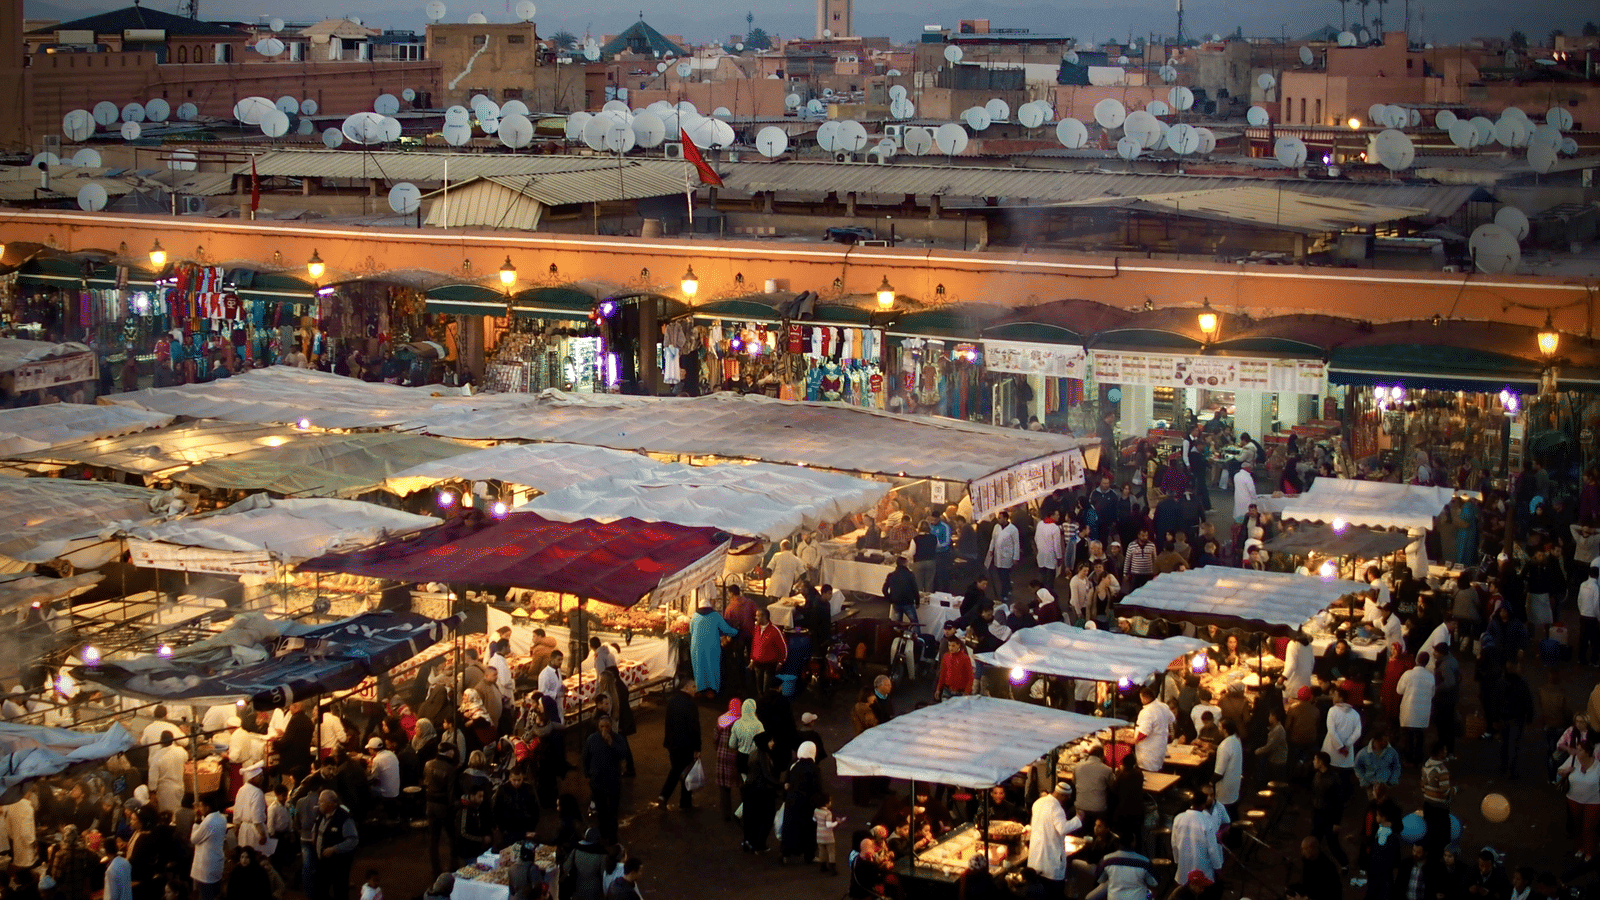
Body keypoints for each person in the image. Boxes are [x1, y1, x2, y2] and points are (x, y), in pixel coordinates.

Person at [582, 714, 632, 845]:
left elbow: (623, 754)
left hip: (613, 781)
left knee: (613, 811)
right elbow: (586, 758)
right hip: (597, 782)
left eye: (607, 726)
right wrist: (588, 773)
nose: (604, 729)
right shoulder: (592, 739)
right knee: (601, 810)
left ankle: (612, 837)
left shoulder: (618, 739)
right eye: (601, 726)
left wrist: (611, 743)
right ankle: (603, 835)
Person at [1026, 781, 1081, 896]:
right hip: (1050, 861)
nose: (1065, 801)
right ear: (1062, 795)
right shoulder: (1056, 808)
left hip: (1035, 858)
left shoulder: (1038, 802)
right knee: (1053, 893)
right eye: (1066, 798)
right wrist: (1078, 819)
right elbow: (1062, 828)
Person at [657, 675, 702, 811]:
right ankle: (684, 802)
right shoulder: (690, 704)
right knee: (685, 772)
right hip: (686, 744)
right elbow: (694, 728)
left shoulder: (672, 701)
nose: (695, 689)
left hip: (672, 744)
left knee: (676, 770)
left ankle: (665, 797)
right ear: (686, 687)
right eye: (693, 686)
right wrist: (697, 747)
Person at [1172, 791, 1224, 893]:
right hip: (1203, 871)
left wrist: (1177, 860)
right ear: (1204, 804)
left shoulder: (1178, 818)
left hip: (1183, 869)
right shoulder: (1206, 822)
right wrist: (1218, 867)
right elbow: (1212, 849)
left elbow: (1174, 843)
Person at [1558, 738, 1600, 862]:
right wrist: (1565, 771)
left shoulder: (1598, 767)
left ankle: (1589, 851)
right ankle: (1580, 848)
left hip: (1593, 802)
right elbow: (1559, 771)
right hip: (1573, 799)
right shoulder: (1572, 760)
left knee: (1589, 827)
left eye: (1580, 750)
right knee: (1577, 826)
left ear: (1588, 752)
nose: (1577, 752)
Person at [780, 742, 822, 864]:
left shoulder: (793, 765)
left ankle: (785, 853)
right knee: (808, 831)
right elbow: (817, 788)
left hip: (792, 802)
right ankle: (809, 855)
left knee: (790, 829)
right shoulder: (814, 768)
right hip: (808, 805)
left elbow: (787, 782)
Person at [689, 599, 739, 698]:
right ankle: (712, 690)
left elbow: (691, 630)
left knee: (699, 667)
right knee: (712, 667)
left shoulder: (695, 616)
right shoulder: (715, 616)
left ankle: (700, 689)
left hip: (696, 647)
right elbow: (726, 629)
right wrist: (736, 631)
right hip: (711, 646)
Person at [741, 733, 782, 854]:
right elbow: (766, 775)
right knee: (766, 818)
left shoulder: (754, 753)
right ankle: (759, 844)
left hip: (751, 791)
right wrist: (781, 784)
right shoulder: (763, 756)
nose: (773, 743)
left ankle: (749, 842)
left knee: (752, 818)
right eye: (770, 740)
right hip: (762, 792)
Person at [314, 790, 358, 900]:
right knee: (321, 891)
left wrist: (335, 849)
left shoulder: (344, 818)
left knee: (340, 891)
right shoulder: (321, 815)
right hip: (323, 863)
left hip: (339, 865)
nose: (318, 804)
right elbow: (317, 828)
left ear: (331, 804)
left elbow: (353, 840)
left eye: (321, 802)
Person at [1310, 752, 1350, 874]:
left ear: (1321, 762)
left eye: (1315, 759)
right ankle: (1314, 866)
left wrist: (1336, 822)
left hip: (1329, 816)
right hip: (1318, 814)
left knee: (1332, 843)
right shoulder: (1317, 775)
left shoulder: (1334, 778)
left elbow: (1339, 802)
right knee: (1314, 841)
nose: (1313, 761)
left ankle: (1344, 864)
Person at [422, 742, 458, 875]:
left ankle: (435, 870)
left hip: (430, 805)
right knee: (452, 837)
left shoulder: (428, 764)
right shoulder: (450, 769)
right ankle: (453, 866)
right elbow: (451, 793)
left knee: (433, 840)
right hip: (444, 807)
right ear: (448, 752)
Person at [1397, 653, 1437, 765]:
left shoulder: (1408, 674)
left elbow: (1399, 690)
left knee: (1408, 737)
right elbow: (1432, 693)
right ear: (1427, 662)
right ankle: (1418, 760)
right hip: (1423, 712)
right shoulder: (1430, 676)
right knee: (1420, 737)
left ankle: (1408, 759)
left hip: (1409, 711)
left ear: (1416, 660)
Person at [1497, 662, 1535, 779]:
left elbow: (1495, 701)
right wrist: (1529, 717)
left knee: (1504, 743)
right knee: (1514, 745)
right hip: (1517, 718)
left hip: (1504, 717)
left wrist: (1494, 718)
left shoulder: (1501, 683)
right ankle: (1512, 771)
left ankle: (1503, 767)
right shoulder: (1521, 683)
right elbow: (1528, 701)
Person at [1323, 686, 1362, 784]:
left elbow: (1331, 731)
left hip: (1332, 750)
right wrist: (1346, 746)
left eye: (1335, 695)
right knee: (1344, 779)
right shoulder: (1355, 714)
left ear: (1341, 698)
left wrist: (1340, 747)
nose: (1333, 697)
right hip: (1346, 754)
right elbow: (1357, 733)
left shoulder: (1332, 711)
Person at [190, 796, 227, 900]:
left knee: (207, 895)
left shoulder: (209, 822)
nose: (200, 809)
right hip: (217, 862)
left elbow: (194, 839)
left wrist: (197, 822)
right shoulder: (222, 818)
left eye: (201, 806)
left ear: (208, 807)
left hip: (206, 866)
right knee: (216, 893)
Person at [1285, 835, 1341, 900]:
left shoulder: (1327, 867)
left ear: (1312, 849)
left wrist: (1305, 897)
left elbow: (1324, 890)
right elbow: (1307, 883)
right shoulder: (1308, 861)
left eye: (1305, 849)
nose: (1302, 852)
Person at [1074, 744, 1114, 829]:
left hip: (1080, 807)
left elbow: (1074, 782)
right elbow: (1112, 786)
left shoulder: (1077, 767)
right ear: (1101, 756)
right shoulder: (1107, 770)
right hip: (1099, 809)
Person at [1134, 687, 1174, 771]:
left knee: (1149, 778)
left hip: (1148, 755)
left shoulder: (1147, 712)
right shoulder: (1164, 706)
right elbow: (1172, 719)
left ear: (1144, 698)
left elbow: (1143, 734)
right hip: (1160, 751)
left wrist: (1132, 740)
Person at [749, 607, 787, 697]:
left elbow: (783, 647)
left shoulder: (775, 630)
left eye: (758, 616)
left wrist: (781, 662)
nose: (756, 618)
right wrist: (752, 660)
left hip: (769, 664)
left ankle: (766, 704)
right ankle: (760, 702)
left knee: (766, 687)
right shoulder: (756, 628)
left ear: (764, 616)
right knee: (759, 687)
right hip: (757, 663)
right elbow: (754, 644)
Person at [984, 510, 1021, 601]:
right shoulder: (996, 527)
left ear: (1005, 518)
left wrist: (1016, 557)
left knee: (1005, 574)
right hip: (998, 555)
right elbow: (993, 539)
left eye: (1000, 518)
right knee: (1001, 574)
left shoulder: (1013, 529)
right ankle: (1008, 587)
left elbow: (1016, 543)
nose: (998, 519)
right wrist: (991, 549)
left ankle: (1004, 593)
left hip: (1007, 556)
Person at [561, 829, 607, 900]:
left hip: (578, 889)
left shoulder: (576, 850)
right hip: (595, 892)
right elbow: (603, 874)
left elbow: (565, 867)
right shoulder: (602, 855)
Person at [148, 733, 185, 815]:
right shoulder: (181, 751)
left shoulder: (157, 757)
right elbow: (186, 758)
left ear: (161, 742)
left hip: (166, 791)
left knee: (168, 816)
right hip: (180, 787)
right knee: (178, 813)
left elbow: (152, 779)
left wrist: (152, 792)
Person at [1213, 719, 1243, 819]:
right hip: (1234, 784)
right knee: (1233, 812)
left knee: (1226, 816)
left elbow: (1219, 773)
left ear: (1224, 729)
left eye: (1219, 727)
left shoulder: (1225, 745)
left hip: (1225, 788)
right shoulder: (1236, 739)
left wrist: (1209, 784)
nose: (1218, 729)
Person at [1355, 732, 1402, 796]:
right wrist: (1364, 782)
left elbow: (1396, 767)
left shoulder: (1392, 752)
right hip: (1370, 786)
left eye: (1386, 741)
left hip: (1386, 785)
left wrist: (1392, 781)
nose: (1385, 743)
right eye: (1383, 741)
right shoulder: (1363, 753)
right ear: (1375, 740)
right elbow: (1357, 768)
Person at [882, 556, 920, 625]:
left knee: (898, 623)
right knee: (914, 623)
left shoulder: (891, 575)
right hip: (908, 602)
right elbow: (915, 589)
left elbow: (884, 589)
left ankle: (898, 635)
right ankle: (917, 635)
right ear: (905, 564)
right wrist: (917, 602)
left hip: (896, 602)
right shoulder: (910, 574)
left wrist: (890, 599)